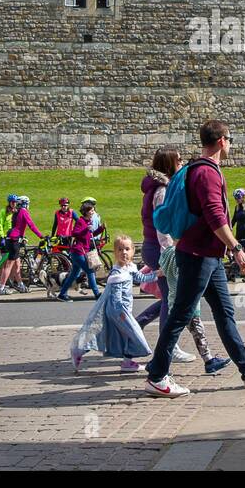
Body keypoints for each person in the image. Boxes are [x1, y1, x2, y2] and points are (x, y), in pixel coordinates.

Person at [144, 119, 245, 399]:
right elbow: (215, 214)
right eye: (230, 139)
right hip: (198, 254)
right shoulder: (207, 173)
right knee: (180, 312)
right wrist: (236, 249)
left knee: (224, 312)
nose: (230, 145)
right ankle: (157, 376)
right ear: (221, 140)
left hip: (208, 255)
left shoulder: (197, 168)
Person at [135, 149, 197, 364]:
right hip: (160, 249)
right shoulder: (161, 190)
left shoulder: (160, 187)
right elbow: (163, 228)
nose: (182, 162)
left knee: (168, 296)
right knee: (170, 299)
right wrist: (169, 256)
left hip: (154, 248)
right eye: (179, 159)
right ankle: (168, 348)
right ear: (170, 163)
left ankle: (138, 324)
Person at [70, 235, 160, 373]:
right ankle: (126, 360)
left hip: (121, 310)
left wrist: (157, 274)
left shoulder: (130, 267)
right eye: (120, 249)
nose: (124, 252)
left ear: (133, 251)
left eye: (127, 249)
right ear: (115, 252)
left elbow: (140, 277)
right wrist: (122, 314)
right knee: (134, 334)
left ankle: (81, 351)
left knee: (112, 335)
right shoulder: (117, 272)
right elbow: (116, 298)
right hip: (118, 311)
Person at [159, 238, 231, 374]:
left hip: (173, 299)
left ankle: (158, 363)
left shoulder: (167, 253)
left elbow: (162, 269)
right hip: (189, 303)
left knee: (172, 334)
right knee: (194, 333)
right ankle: (208, 361)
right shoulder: (183, 257)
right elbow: (188, 277)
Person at [56, 199, 101, 301]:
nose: (93, 212)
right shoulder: (81, 222)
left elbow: (90, 235)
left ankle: (62, 294)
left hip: (79, 252)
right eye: (91, 211)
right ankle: (97, 294)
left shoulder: (87, 222)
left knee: (74, 275)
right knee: (90, 271)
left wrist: (100, 229)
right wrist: (86, 229)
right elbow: (75, 233)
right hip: (78, 252)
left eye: (93, 210)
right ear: (86, 212)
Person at [0, 193, 44, 294]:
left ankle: (21, 285)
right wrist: (41, 236)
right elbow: (31, 225)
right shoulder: (23, 211)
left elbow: (17, 227)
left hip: (12, 238)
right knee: (9, 265)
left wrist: (22, 237)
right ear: (25, 204)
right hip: (14, 240)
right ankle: (1, 288)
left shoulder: (16, 211)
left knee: (17, 265)